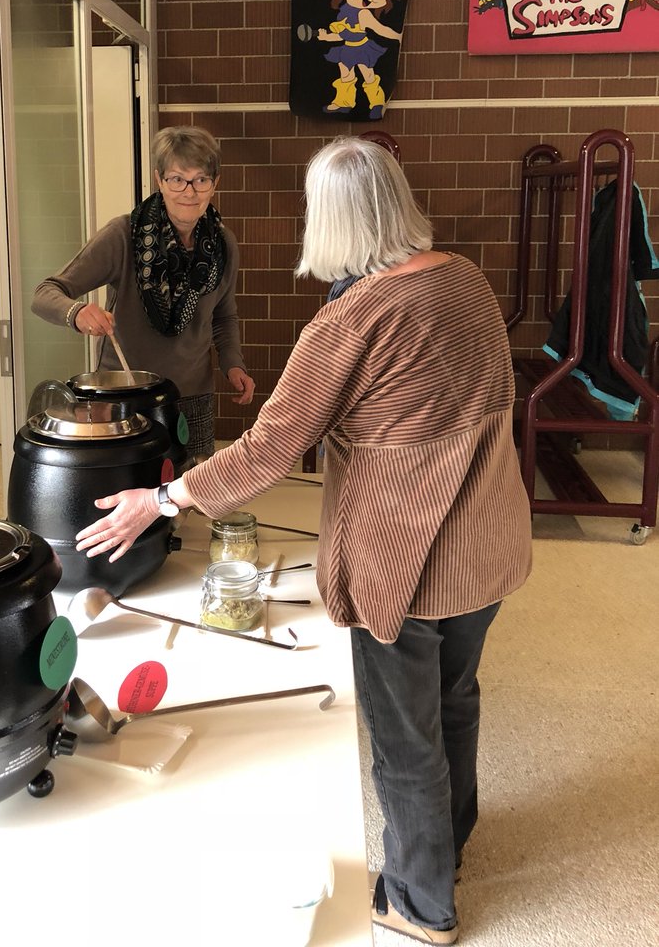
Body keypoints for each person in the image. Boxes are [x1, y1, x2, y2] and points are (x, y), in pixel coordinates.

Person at [74, 136, 533, 945]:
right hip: (487, 539)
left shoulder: (351, 317)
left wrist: (164, 496)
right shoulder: (464, 279)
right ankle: (446, 847)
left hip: (408, 558)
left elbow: (269, 448)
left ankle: (422, 903)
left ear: (332, 220)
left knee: (404, 733)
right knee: (456, 698)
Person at [31, 125, 255, 459]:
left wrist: (233, 364)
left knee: (189, 493)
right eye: (177, 179)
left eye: (201, 180)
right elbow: (45, 293)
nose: (189, 192)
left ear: (215, 183)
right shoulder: (123, 235)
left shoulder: (224, 244)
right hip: (124, 393)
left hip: (191, 395)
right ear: (159, 180)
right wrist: (76, 313)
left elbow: (223, 315)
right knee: (126, 493)